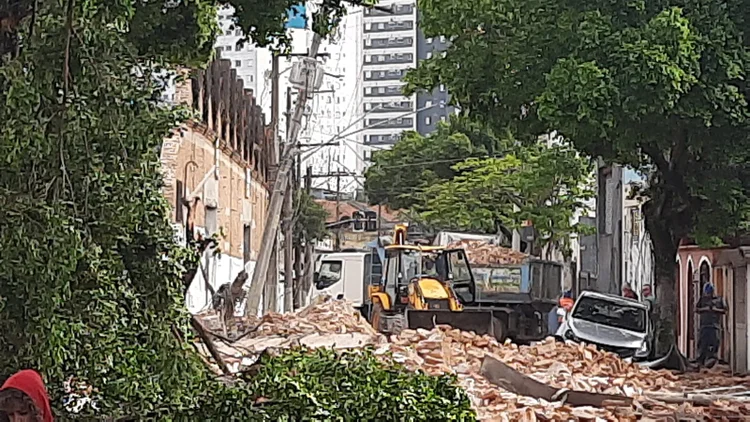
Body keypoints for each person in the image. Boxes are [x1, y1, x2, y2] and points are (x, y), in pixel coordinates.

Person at [696, 283, 726, 368]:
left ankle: (713, 361)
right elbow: (696, 309)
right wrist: (705, 309)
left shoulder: (719, 300)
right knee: (702, 345)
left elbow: (724, 310)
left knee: (714, 344)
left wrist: (715, 310)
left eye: (710, 293)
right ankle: (700, 362)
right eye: (707, 293)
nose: (708, 295)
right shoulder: (702, 300)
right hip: (704, 326)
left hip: (715, 326)